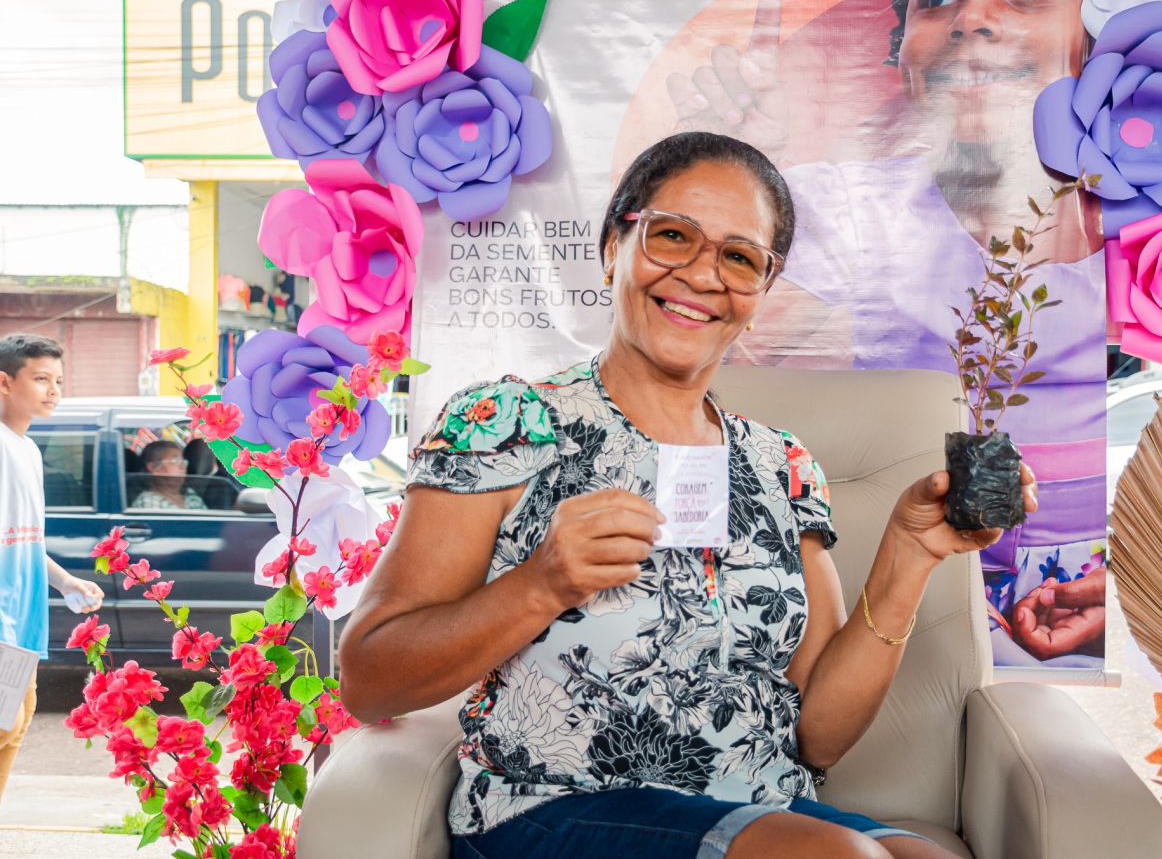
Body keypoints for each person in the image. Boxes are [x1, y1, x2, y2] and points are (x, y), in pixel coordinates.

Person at [340, 133, 1038, 859]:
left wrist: (910, 554)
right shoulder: (507, 422)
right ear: (613, 247)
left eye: (740, 257)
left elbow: (818, 736)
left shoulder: (781, 465)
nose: (704, 274)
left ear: (761, 292)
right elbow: (367, 679)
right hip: (555, 809)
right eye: (673, 236)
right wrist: (539, 584)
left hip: (763, 806)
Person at [666, 0, 1107, 666]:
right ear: (903, 52)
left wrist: (1114, 592)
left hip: (1094, 605)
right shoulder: (850, 208)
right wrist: (736, 186)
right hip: (904, 589)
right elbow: (708, 367)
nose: (969, 19)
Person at [0, 333, 104, 800]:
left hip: (24, 624)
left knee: (14, 728)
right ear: (5, 382)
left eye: (58, 380)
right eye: (41, 379)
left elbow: (22, 540)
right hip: (3, 624)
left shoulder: (27, 450)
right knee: (6, 725)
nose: (54, 390)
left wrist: (64, 582)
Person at [131, 440, 208, 510]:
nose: (182, 466)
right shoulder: (148, 502)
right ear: (154, 468)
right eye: (175, 461)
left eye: (183, 461)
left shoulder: (191, 495)